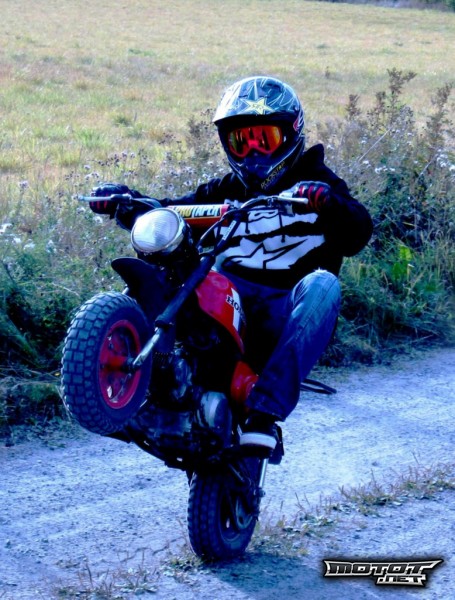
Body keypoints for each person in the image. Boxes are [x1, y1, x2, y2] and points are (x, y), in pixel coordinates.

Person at [90, 76, 373, 454]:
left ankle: (263, 415)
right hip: (226, 305)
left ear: (290, 135)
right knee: (169, 260)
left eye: (264, 139)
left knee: (324, 285)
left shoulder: (320, 183)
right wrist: (126, 203)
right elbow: (169, 212)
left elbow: (358, 233)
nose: (253, 152)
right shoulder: (225, 190)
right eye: (242, 141)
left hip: (284, 314)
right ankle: (145, 379)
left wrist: (329, 203)